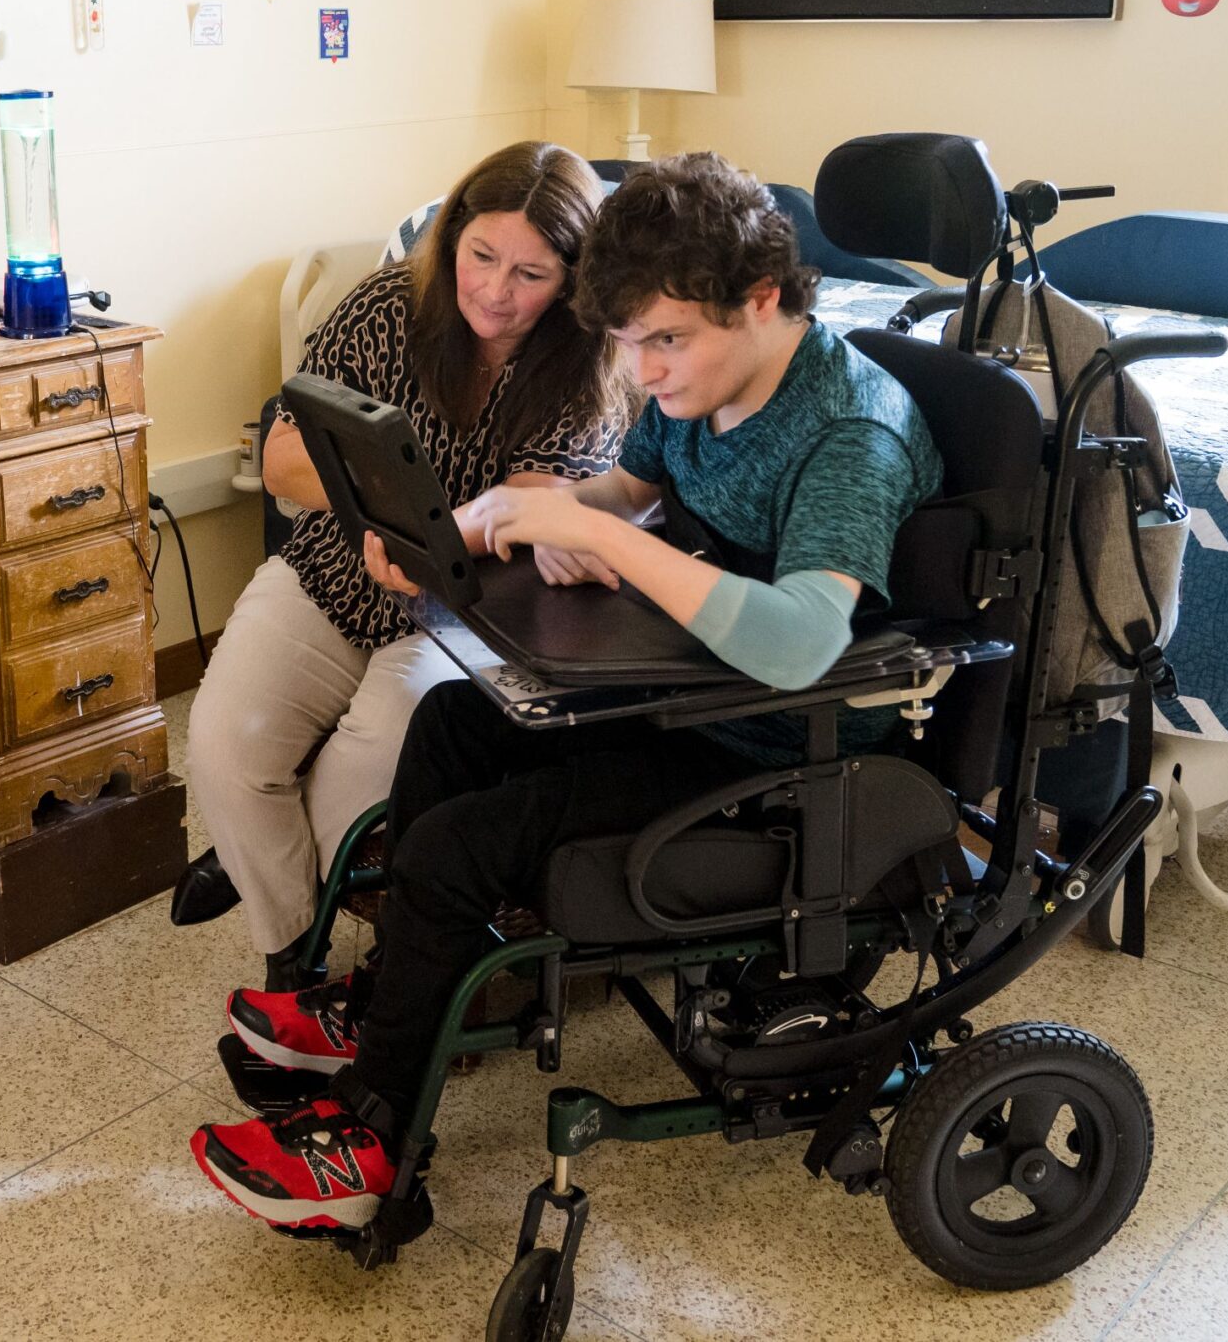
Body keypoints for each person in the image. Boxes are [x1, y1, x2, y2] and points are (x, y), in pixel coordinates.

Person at [190, 152, 947, 1233]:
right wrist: (497, 514)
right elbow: (627, 487)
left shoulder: (847, 432)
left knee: (461, 844)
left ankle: (371, 1148)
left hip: (783, 749)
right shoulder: (696, 383)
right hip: (690, 693)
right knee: (452, 722)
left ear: (765, 299)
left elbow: (797, 642)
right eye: (627, 340)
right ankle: (396, 1001)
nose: (640, 369)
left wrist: (593, 532)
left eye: (664, 341)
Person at [180, 142, 626, 993]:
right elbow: (280, 462)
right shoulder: (388, 304)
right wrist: (378, 519)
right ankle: (294, 955)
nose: (496, 292)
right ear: (452, 236)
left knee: (363, 778)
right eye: (481, 257)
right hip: (335, 568)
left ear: (574, 279)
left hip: (469, 609)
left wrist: (428, 529)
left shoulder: (587, 358)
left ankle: (271, 887)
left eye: (532, 275)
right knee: (223, 746)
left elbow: (529, 510)